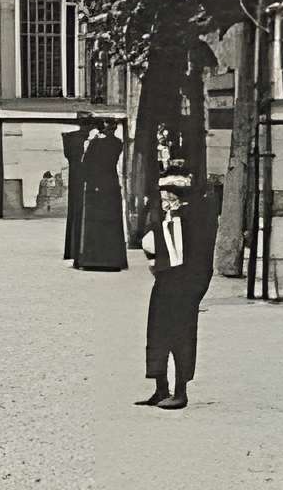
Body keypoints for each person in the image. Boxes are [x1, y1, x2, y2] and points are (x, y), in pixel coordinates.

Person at [136, 170, 220, 409]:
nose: (166, 202)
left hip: (186, 284)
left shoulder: (195, 221)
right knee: (157, 333)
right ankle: (161, 388)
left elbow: (202, 259)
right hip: (165, 281)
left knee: (182, 336)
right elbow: (150, 244)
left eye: (171, 197)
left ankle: (181, 391)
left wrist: (196, 290)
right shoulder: (164, 218)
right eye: (164, 197)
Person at [74, 116, 130, 272]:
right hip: (111, 184)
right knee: (111, 222)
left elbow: (86, 164)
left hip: (96, 185)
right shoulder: (118, 143)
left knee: (95, 222)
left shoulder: (96, 143)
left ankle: (94, 259)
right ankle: (113, 259)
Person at [60, 111, 95, 262]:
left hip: (75, 178)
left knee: (75, 212)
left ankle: (72, 249)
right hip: (84, 178)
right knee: (83, 212)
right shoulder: (87, 140)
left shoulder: (70, 138)